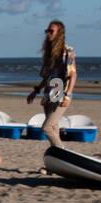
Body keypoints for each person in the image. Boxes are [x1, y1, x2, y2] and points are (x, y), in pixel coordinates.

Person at [26, 20, 76, 149]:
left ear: (60, 33)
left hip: (60, 89)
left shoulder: (66, 51)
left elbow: (73, 74)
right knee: (54, 128)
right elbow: (48, 76)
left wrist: (68, 95)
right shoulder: (50, 53)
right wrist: (36, 91)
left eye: (51, 31)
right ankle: (56, 164)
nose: (48, 33)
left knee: (47, 128)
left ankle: (63, 154)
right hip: (50, 89)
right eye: (47, 31)